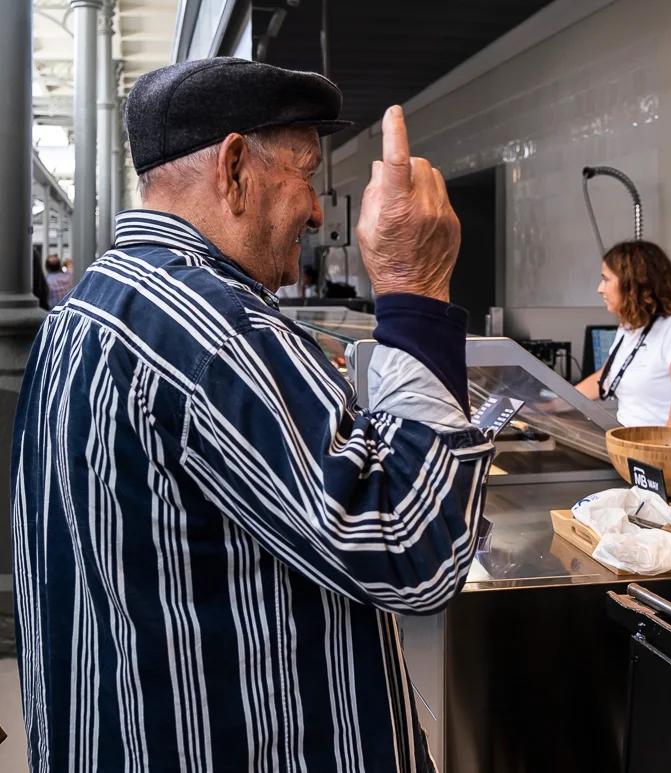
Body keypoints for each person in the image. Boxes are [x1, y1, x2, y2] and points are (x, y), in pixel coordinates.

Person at [11, 57, 493, 772]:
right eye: (304, 170)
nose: (320, 209)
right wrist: (413, 287)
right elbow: (415, 550)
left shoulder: (80, 313)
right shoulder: (219, 329)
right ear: (235, 168)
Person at [575, 240, 671, 426]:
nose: (600, 289)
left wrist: (668, 447)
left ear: (632, 283)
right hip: (630, 445)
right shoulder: (629, 328)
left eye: (606, 279)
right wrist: (554, 403)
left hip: (664, 449)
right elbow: (604, 378)